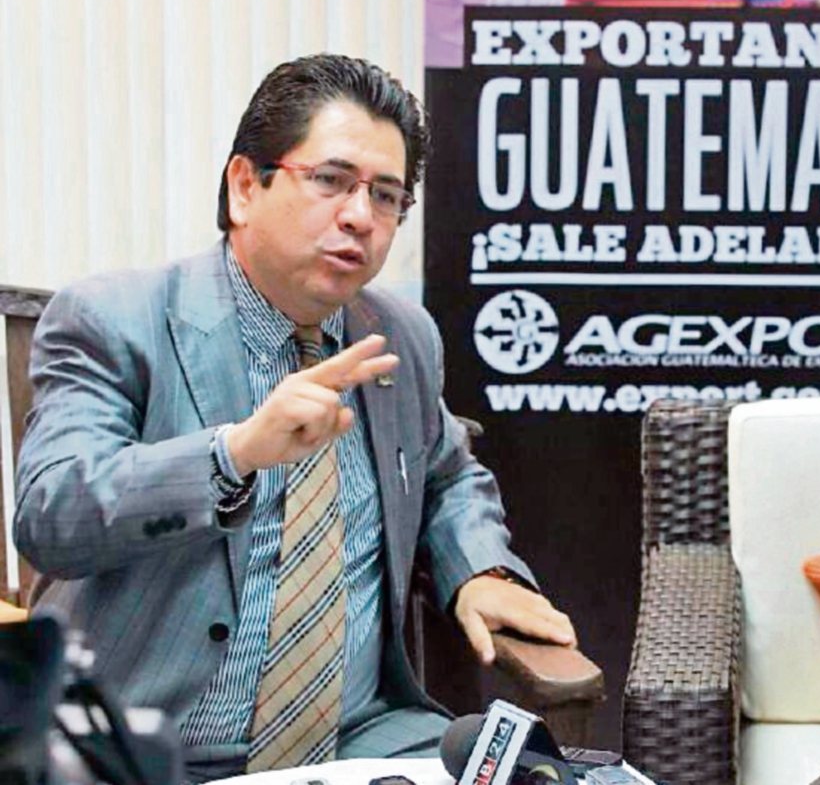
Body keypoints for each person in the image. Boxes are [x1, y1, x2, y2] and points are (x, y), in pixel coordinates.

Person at [14, 53, 576, 782]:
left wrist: (479, 568)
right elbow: (52, 515)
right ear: (245, 186)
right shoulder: (113, 319)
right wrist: (234, 454)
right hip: (148, 749)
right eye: (331, 180)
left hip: (360, 741)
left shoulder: (398, 336)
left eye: (385, 196)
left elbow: (445, 474)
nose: (359, 216)